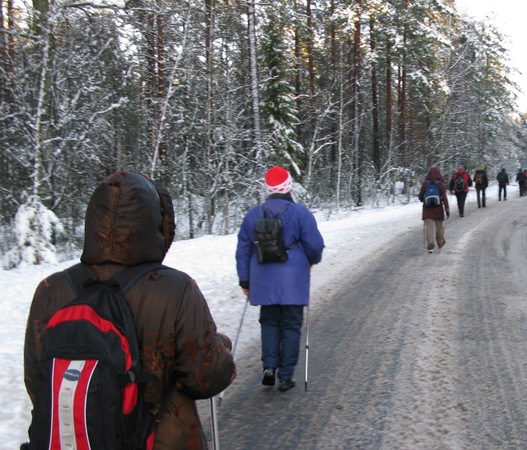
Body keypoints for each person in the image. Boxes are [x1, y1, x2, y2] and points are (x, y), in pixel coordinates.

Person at [24, 171, 236, 449]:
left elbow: (36, 381)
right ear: (155, 224)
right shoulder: (176, 289)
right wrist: (220, 347)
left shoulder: (50, 290)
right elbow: (206, 380)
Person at [236, 166, 325, 392]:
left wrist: (245, 280)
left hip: (263, 280)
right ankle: (286, 376)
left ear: (268, 188)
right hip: (293, 280)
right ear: (288, 186)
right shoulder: (301, 212)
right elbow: (315, 245)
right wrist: (311, 260)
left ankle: (269, 367)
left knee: (269, 323)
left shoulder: (253, 214)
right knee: (291, 326)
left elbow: (243, 250)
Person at [418, 167, 450, 253]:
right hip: (438, 209)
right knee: (439, 227)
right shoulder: (440, 184)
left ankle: (430, 246)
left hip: (427, 210)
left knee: (429, 228)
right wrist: (447, 208)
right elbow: (444, 197)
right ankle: (440, 242)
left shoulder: (425, 184)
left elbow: (420, 196)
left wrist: (424, 200)